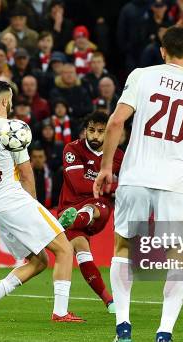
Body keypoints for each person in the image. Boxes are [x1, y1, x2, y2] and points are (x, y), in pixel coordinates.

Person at [93, 26, 183, 342]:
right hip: (176, 183)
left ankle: (123, 326)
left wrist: (105, 167)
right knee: (177, 258)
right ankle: (164, 333)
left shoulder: (142, 75)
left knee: (123, 249)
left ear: (163, 51)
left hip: (135, 175)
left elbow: (115, 122)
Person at [0, 80, 83, 323]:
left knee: (39, 261)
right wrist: (33, 206)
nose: (11, 103)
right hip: (15, 200)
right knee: (65, 249)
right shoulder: (11, 128)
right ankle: (61, 312)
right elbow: (25, 172)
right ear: (4, 101)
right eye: (10, 99)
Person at [57, 111, 124, 312]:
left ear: (109, 133)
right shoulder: (72, 149)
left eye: (101, 132)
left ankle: (77, 217)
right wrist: (111, 186)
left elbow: (128, 185)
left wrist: (112, 189)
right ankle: (109, 301)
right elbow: (77, 184)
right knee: (83, 254)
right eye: (91, 130)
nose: (95, 136)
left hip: (97, 209)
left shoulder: (118, 155)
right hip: (71, 206)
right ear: (85, 130)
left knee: (99, 207)